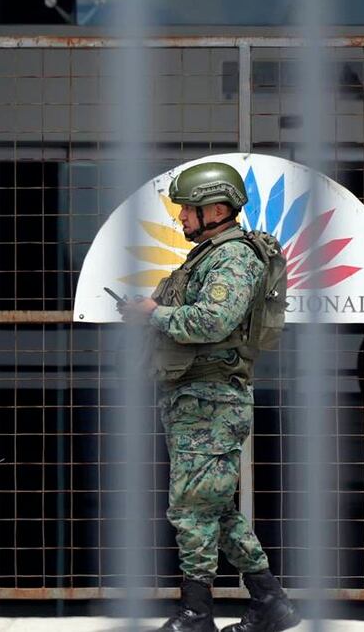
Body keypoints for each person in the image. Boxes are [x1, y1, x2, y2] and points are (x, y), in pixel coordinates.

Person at [118, 161, 299, 632]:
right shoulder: (209, 255)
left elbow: (211, 322)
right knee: (213, 507)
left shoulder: (233, 258)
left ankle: (197, 613)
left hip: (212, 400)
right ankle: (270, 602)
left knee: (191, 508)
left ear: (216, 208)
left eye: (187, 210)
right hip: (197, 398)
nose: (180, 218)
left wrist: (153, 313)